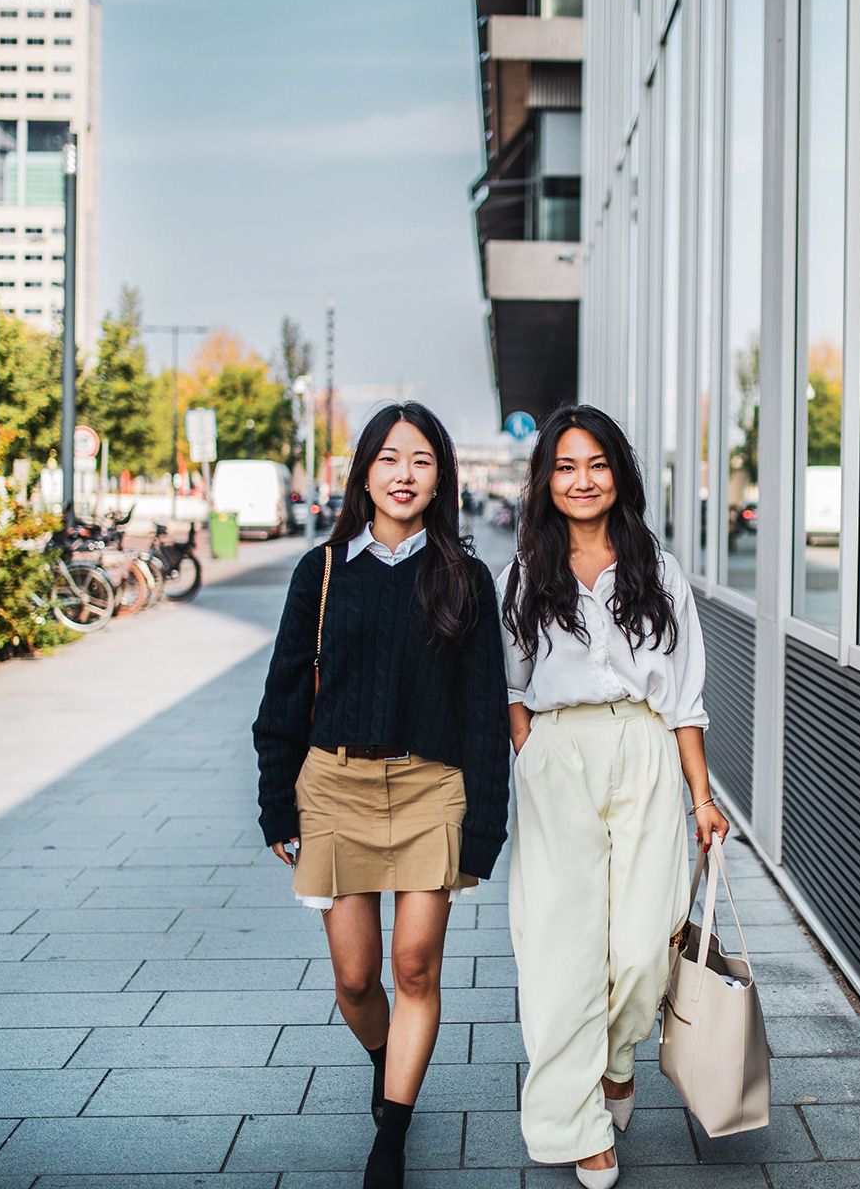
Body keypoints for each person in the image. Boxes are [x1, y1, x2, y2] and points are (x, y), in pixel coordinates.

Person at [253, 402, 510, 1189]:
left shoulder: (464, 577)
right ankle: (381, 1058)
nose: (405, 474)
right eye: (390, 458)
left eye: (422, 461)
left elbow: (482, 714)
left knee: (415, 968)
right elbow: (285, 692)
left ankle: (389, 1142)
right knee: (357, 978)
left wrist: (484, 830)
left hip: (432, 787)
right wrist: (276, 800)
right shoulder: (322, 571)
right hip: (333, 785)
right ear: (364, 471)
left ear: (442, 478)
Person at [498, 403, 729, 1188]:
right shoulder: (525, 571)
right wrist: (533, 753)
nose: (581, 479)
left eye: (595, 464)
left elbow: (686, 698)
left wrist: (702, 798)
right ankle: (575, 1124)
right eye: (564, 466)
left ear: (618, 474)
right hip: (558, 755)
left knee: (640, 948)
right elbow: (512, 685)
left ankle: (618, 1057)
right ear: (545, 479)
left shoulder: (657, 571)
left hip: (646, 750)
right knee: (561, 948)